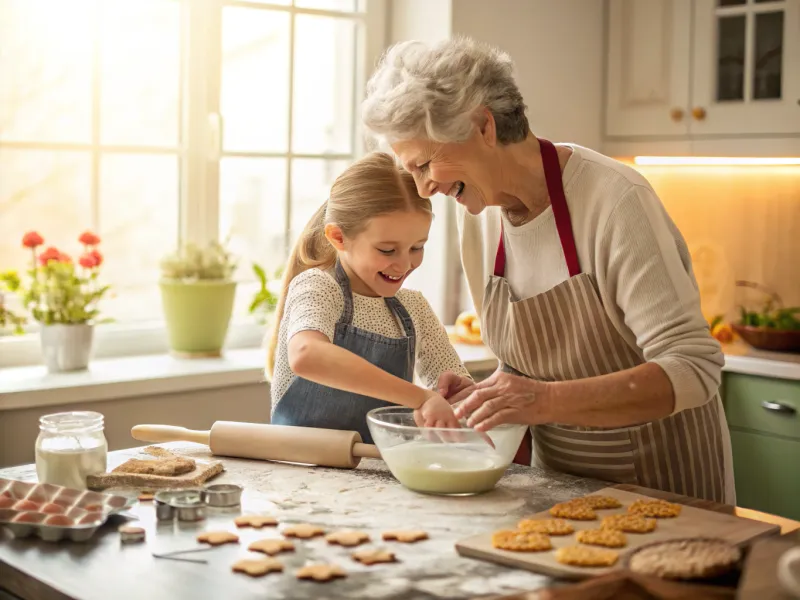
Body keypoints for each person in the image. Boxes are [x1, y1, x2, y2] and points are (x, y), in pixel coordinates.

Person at [361, 36, 734, 503]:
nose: (423, 187)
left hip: (665, 485)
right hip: (558, 490)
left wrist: (545, 401)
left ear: (483, 126)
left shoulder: (615, 201)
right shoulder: (478, 216)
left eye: (425, 164)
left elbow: (693, 367)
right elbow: (532, 370)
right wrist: (487, 394)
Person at [266, 152, 472, 444]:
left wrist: (460, 399)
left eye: (417, 247)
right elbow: (306, 354)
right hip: (298, 472)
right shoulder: (319, 288)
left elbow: (452, 388)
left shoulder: (414, 308)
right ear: (338, 237)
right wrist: (420, 398)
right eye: (387, 250)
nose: (403, 265)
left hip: (380, 476)